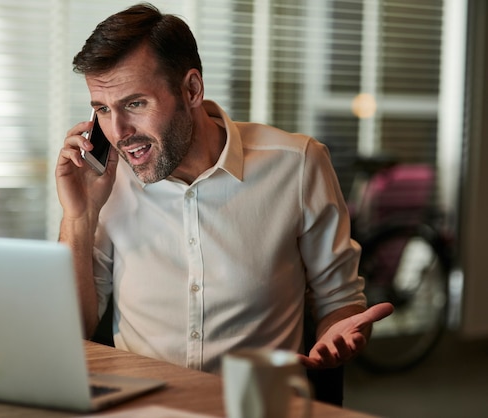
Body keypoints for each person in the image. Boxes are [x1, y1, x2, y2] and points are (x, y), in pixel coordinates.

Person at [56, 2, 393, 375]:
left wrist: (336, 331)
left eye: (135, 103)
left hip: (255, 404)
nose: (117, 133)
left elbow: (339, 301)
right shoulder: (106, 182)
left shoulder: (297, 164)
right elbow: (69, 332)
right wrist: (79, 215)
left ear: (192, 89)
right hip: (143, 405)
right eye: (101, 109)